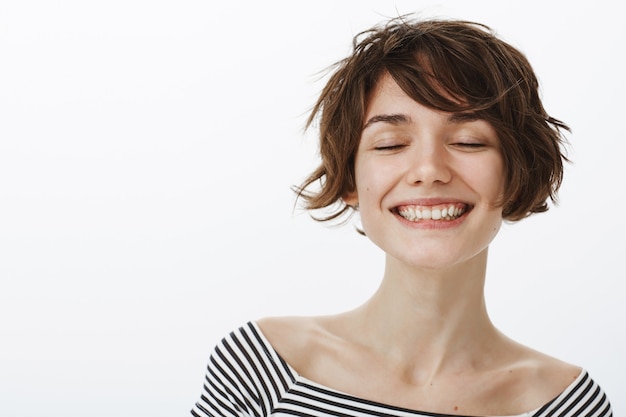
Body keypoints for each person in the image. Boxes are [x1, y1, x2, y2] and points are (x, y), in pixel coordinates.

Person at [190, 16, 613, 417]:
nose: (429, 170)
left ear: (515, 174)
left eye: (468, 140)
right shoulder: (265, 367)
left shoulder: (564, 404)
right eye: (390, 144)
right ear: (351, 179)